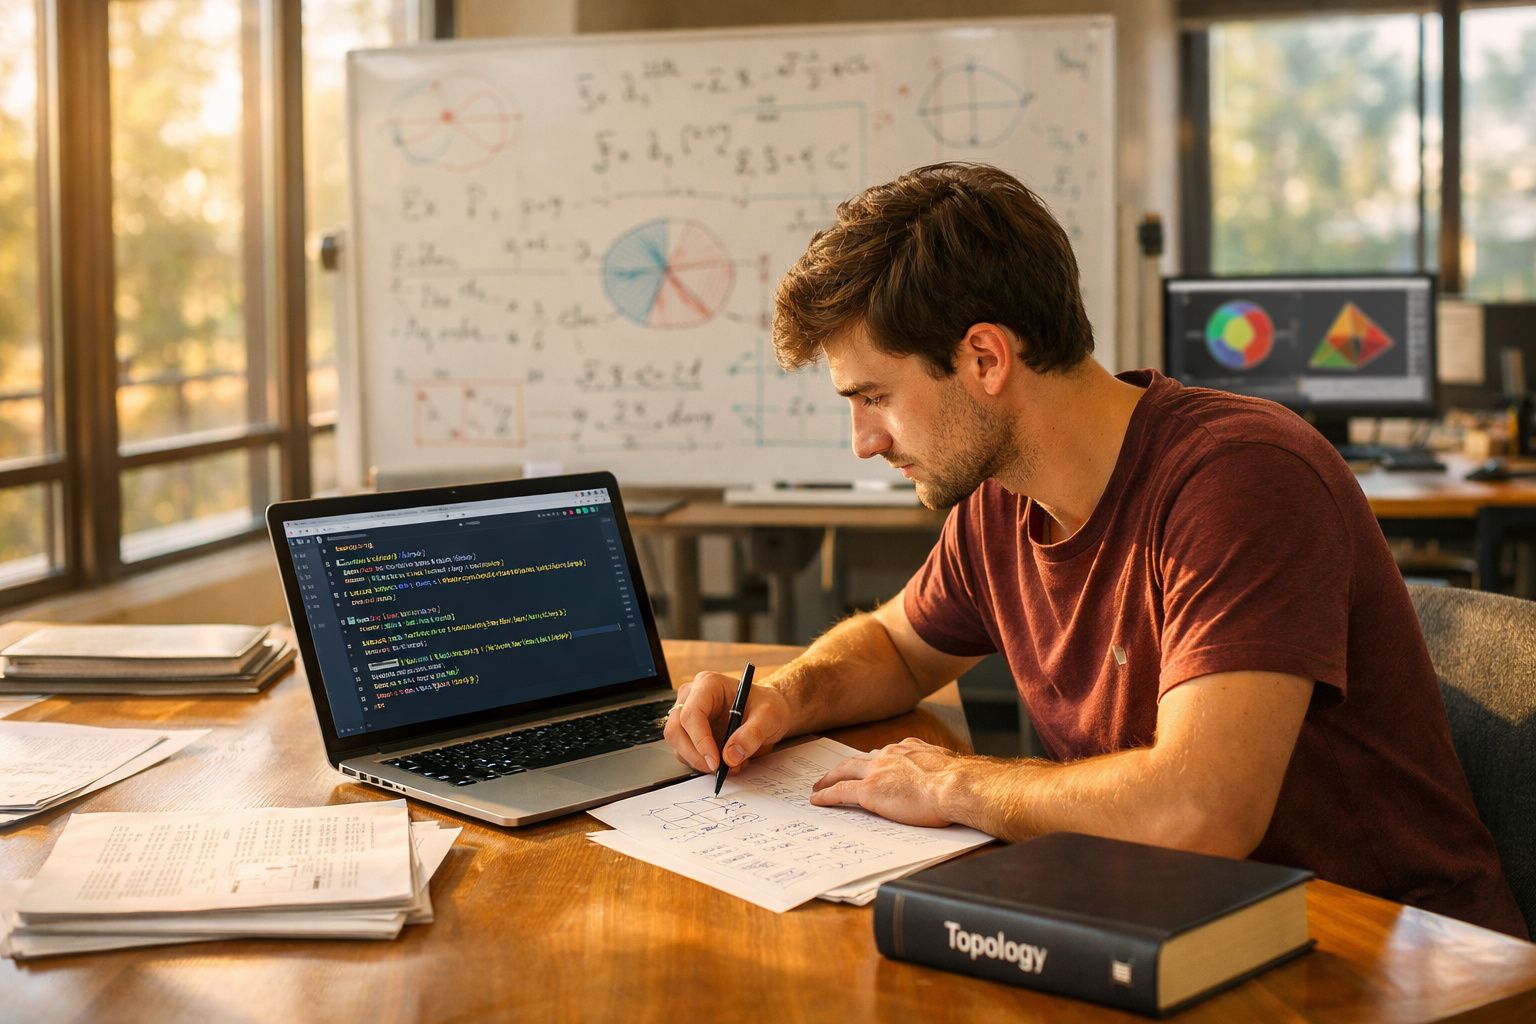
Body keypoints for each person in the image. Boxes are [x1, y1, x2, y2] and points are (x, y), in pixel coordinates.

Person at [662, 161, 1527, 938]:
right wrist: (782, 696)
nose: (863, 440)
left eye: (875, 396)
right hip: (1168, 926)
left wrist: (955, 786)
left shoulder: (1241, 479)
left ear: (985, 357)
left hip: (1380, 956)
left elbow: (1202, 812)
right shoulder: (1004, 499)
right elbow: (893, 645)